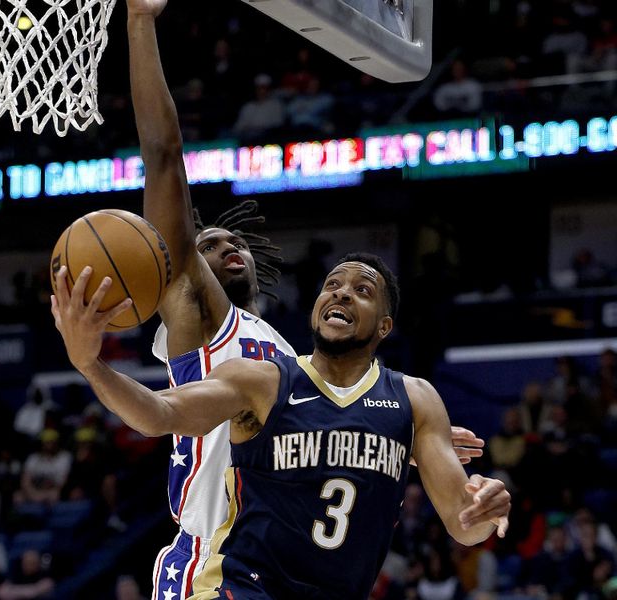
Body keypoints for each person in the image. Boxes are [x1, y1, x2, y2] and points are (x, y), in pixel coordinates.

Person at [117, 0, 485, 597]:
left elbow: (317, 434)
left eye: (233, 240)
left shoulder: (285, 359)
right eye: (207, 244)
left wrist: (406, 443)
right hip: (211, 567)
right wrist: (140, 24)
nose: (226, 245)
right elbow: (163, 160)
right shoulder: (199, 319)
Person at [50, 253, 511, 599]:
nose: (342, 293)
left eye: (362, 290)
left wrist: (485, 510)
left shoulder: (415, 399)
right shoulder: (260, 380)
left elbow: (463, 523)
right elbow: (158, 414)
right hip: (245, 588)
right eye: (332, 284)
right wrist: (91, 365)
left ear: (385, 326)